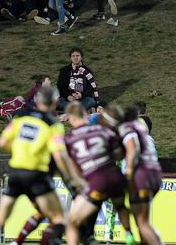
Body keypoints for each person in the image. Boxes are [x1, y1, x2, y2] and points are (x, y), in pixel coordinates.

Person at [0, 87, 80, 245]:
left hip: (15, 173)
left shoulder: (20, 117)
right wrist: (71, 177)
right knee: (59, 219)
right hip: (37, 175)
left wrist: (19, 152)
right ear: (54, 103)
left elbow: (3, 142)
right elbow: (59, 155)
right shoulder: (54, 124)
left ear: (37, 101)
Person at [64, 102, 133, 245]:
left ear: (70, 117)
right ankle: (129, 234)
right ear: (85, 115)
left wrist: (80, 181)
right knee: (120, 207)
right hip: (115, 176)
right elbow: (120, 154)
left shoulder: (69, 138)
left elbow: (70, 165)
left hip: (96, 180)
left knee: (72, 223)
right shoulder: (101, 130)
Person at [107, 105, 162, 245]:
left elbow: (130, 152)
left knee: (141, 221)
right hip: (153, 177)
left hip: (139, 178)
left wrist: (129, 172)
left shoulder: (128, 131)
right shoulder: (148, 138)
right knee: (141, 220)